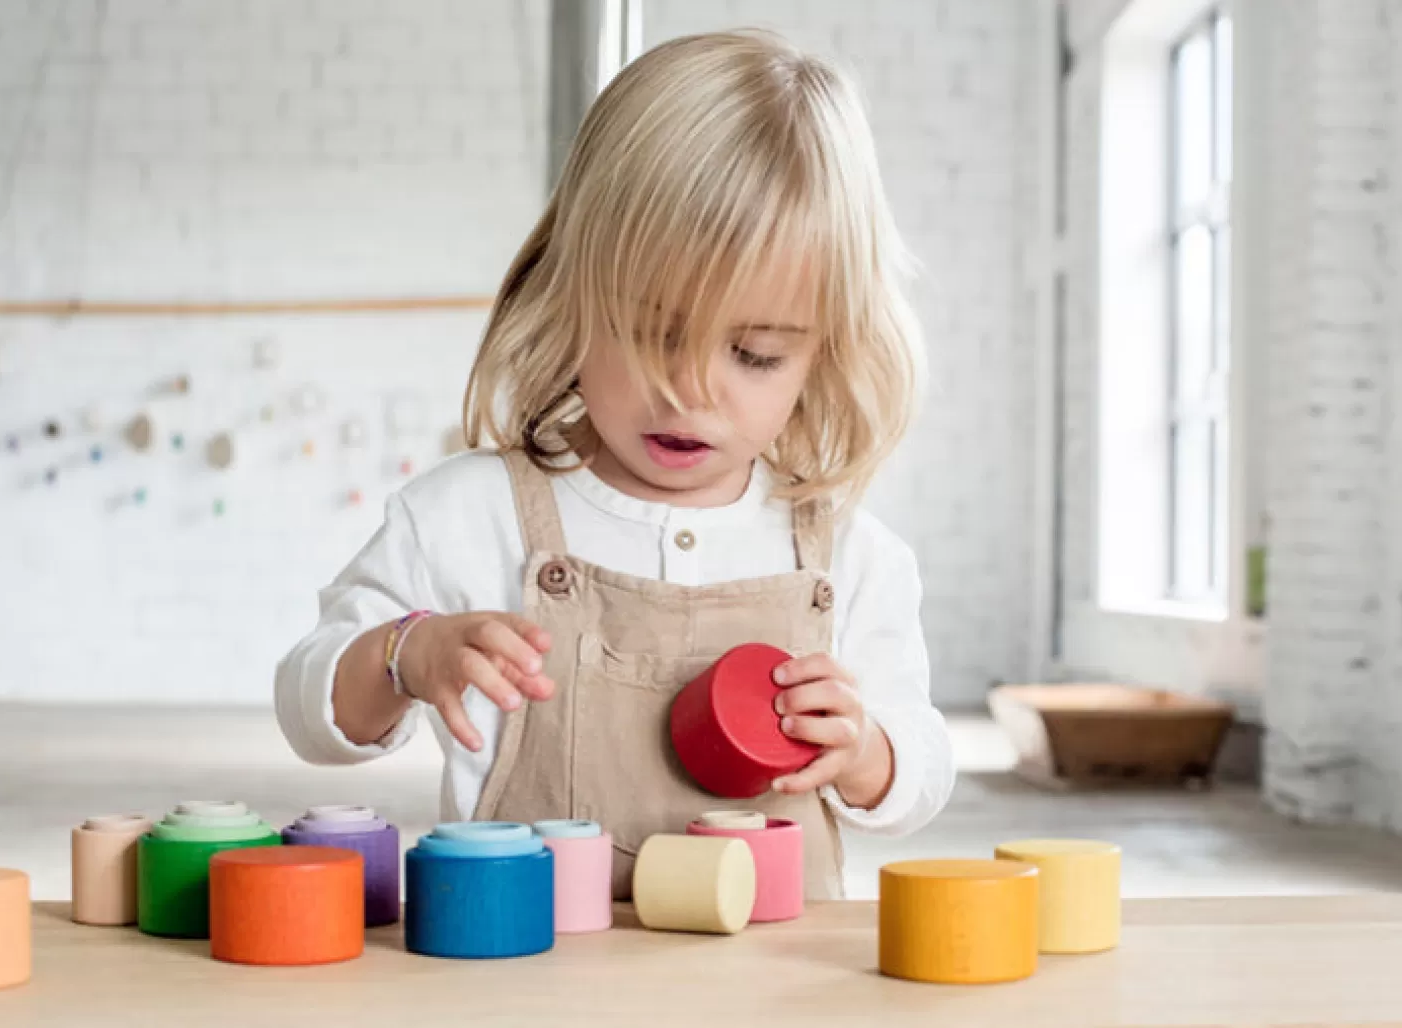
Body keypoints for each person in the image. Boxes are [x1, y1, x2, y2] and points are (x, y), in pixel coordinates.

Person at [275, 28, 954, 899]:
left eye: (752, 353)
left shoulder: (849, 559)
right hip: (533, 972)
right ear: (574, 291)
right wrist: (405, 655)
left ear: (824, 351)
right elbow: (309, 711)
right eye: (651, 332)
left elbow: (924, 773)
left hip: (770, 990)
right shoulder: (467, 518)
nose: (688, 392)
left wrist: (866, 753)